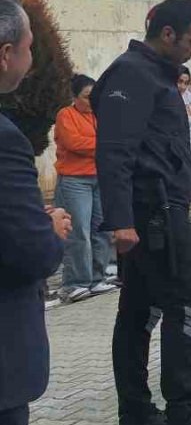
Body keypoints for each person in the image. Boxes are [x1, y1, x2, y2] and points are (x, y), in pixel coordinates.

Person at [93, 0, 191, 425]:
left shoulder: (155, 75)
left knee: (142, 310)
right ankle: (183, 408)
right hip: (154, 214)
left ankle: (139, 413)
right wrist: (120, 220)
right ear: (167, 34)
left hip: (162, 210)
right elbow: (115, 152)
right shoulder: (132, 74)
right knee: (185, 304)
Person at [0, 0, 72, 425]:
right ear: (7, 54)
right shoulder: (6, 140)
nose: (31, 60)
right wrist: (51, 232)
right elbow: (30, 252)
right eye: (29, 48)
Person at [52, 74, 117, 302]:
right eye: (87, 97)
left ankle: (97, 278)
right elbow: (74, 143)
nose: (92, 101)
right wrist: (103, 145)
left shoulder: (101, 115)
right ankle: (75, 283)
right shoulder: (65, 115)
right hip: (74, 180)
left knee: (102, 229)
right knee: (79, 231)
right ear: (75, 97)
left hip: (100, 176)